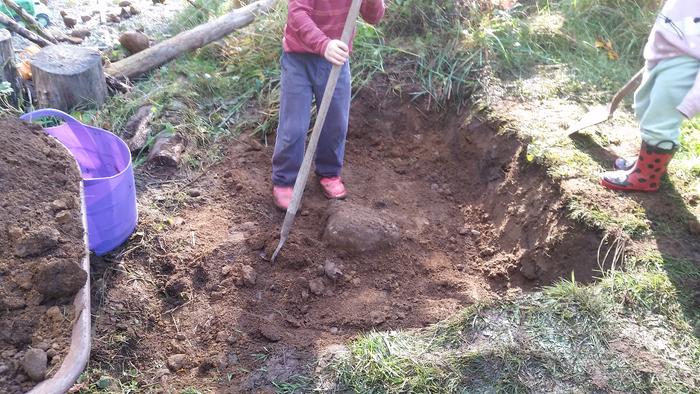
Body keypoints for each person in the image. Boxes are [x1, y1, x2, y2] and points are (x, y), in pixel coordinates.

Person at [271, 0, 385, 209]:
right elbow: (297, 14)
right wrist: (324, 44)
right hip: (299, 58)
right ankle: (285, 180)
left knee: (335, 122)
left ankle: (329, 172)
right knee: (294, 126)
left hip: (335, 61)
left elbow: (373, 17)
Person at [601, 0, 700, 192]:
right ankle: (647, 163)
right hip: (666, 52)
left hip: (687, 66)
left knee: (659, 121)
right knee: (645, 106)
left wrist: (693, 98)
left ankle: (646, 177)